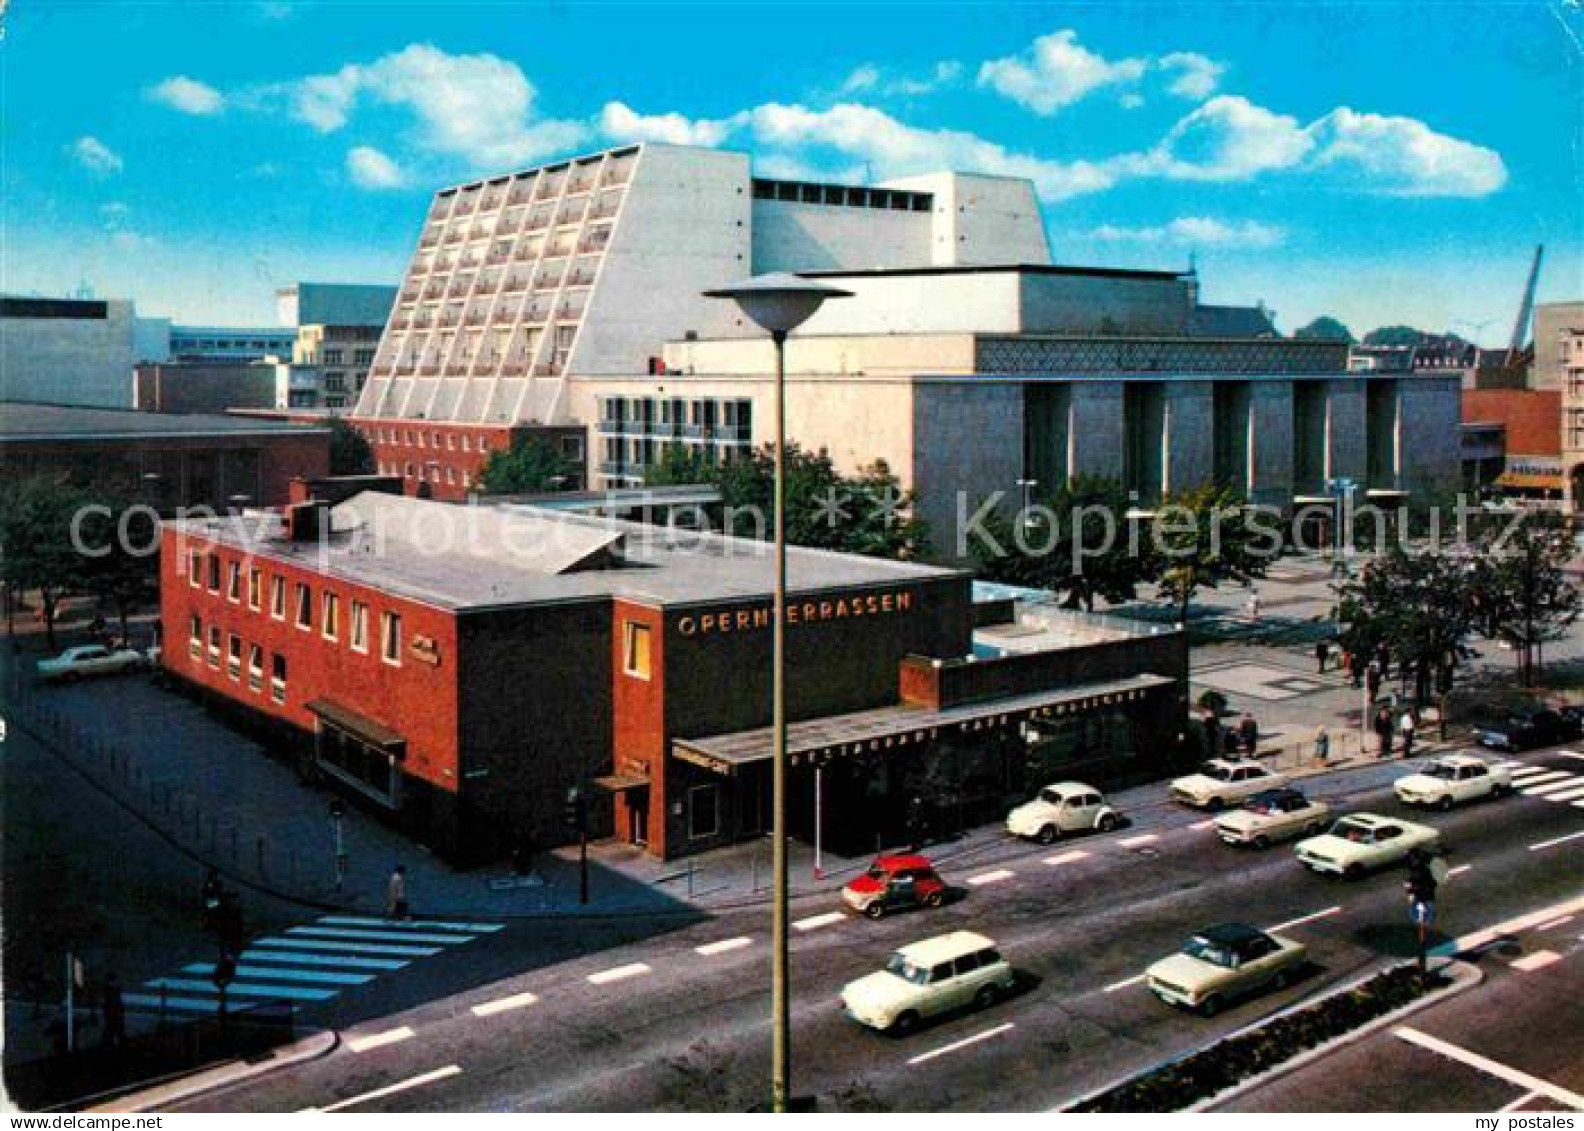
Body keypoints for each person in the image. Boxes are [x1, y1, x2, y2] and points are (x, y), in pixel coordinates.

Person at [100, 973, 125, 1051]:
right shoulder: (109, 992)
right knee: (110, 1032)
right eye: (114, 981)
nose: (116, 982)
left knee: (113, 1032)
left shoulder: (114, 992)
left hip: (115, 1016)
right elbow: (108, 1004)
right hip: (112, 1016)